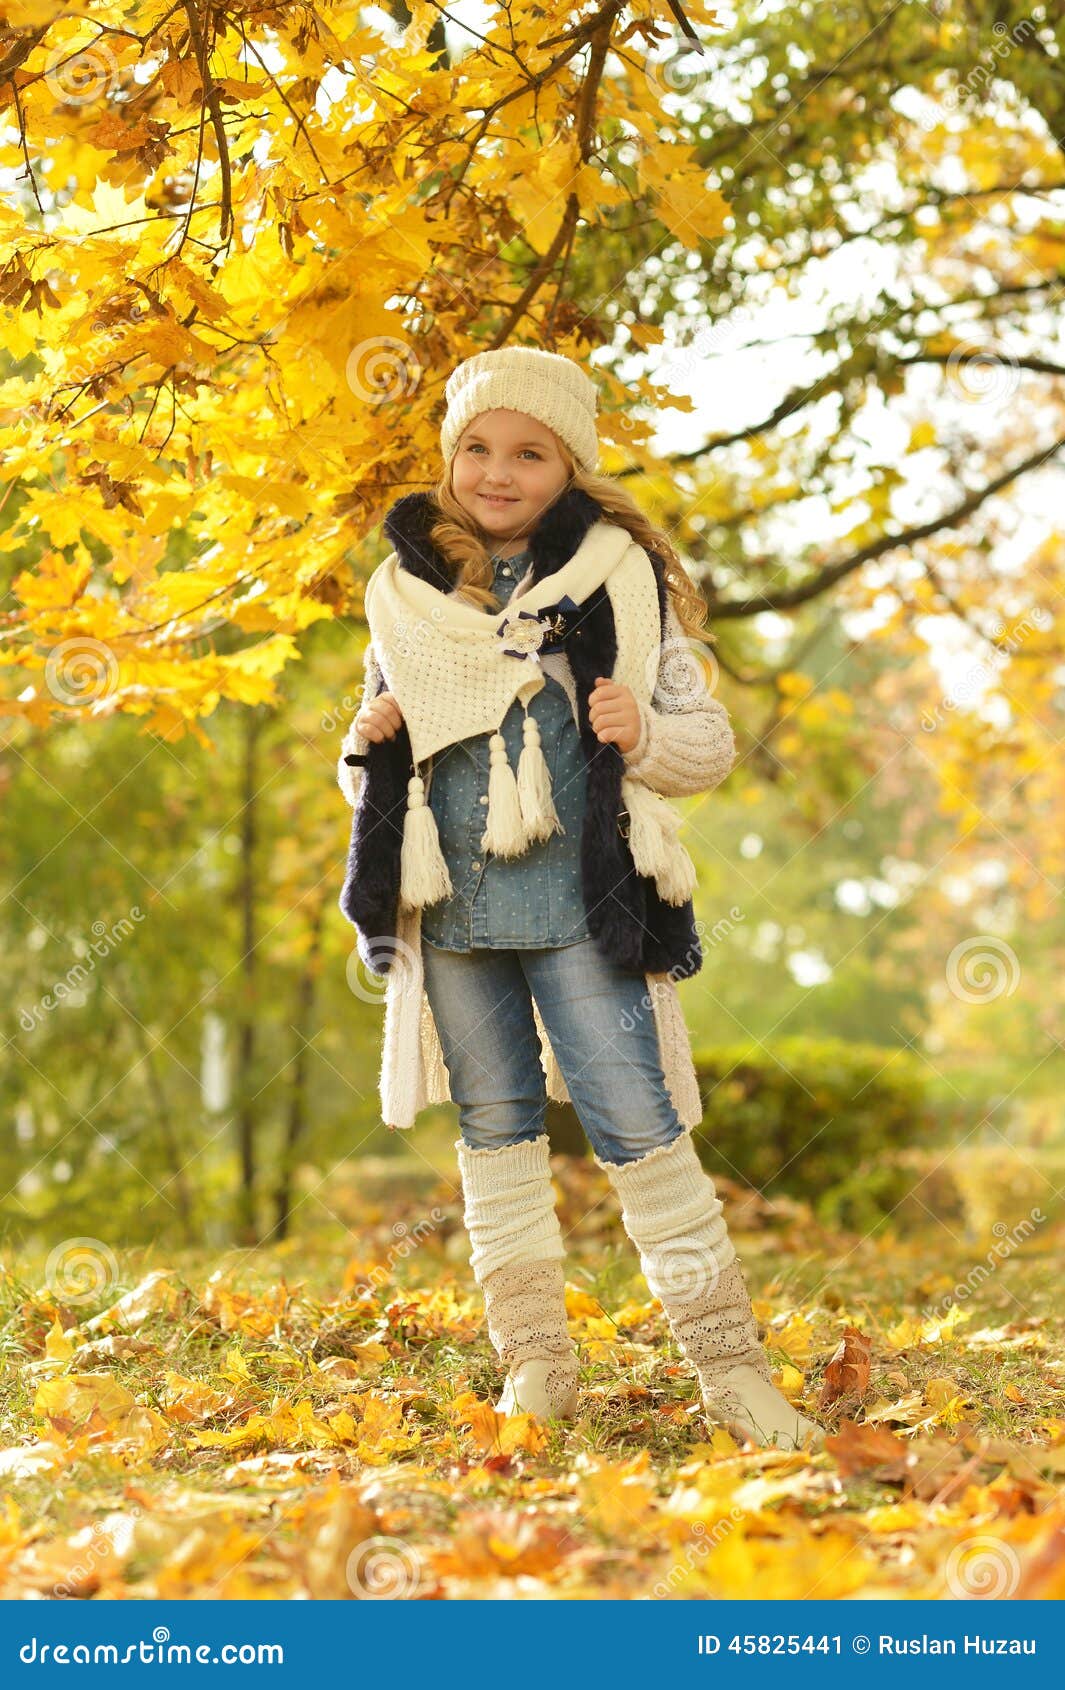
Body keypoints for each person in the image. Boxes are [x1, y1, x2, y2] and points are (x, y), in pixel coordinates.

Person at [337, 347, 824, 1452]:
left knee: (636, 1122)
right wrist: (361, 746)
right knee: (494, 1127)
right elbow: (377, 759)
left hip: (579, 901)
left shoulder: (618, 579)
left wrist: (643, 734)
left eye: (529, 453)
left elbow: (707, 743)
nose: (497, 473)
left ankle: (731, 1367)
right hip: (452, 902)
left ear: (571, 468)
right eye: (477, 447)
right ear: (450, 456)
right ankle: (537, 1369)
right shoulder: (407, 597)